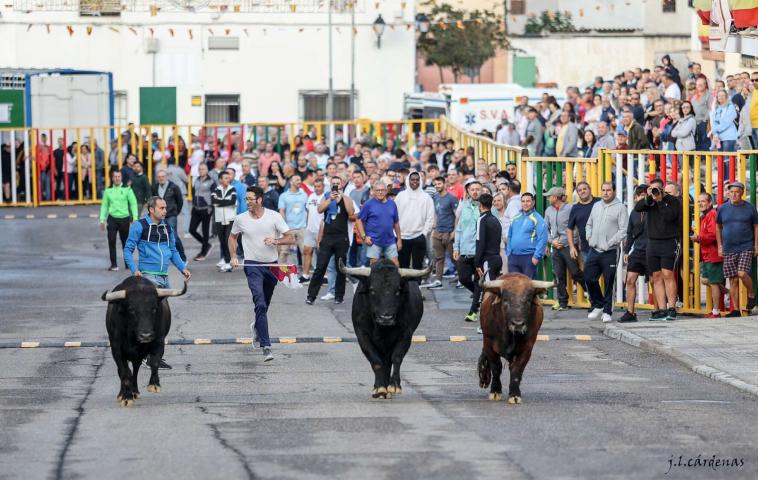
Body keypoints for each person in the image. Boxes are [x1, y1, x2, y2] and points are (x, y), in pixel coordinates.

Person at [124, 196, 192, 370]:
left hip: (163, 276)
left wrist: (182, 268)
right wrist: (134, 270)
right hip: (148, 277)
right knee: (156, 314)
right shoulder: (140, 226)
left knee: (160, 317)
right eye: (161, 208)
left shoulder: (167, 227)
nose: (165, 211)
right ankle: (149, 355)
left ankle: (152, 354)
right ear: (151, 210)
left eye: (165, 208)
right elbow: (128, 249)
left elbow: (173, 251)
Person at [229, 186, 296, 362]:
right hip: (251, 265)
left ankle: (258, 327)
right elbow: (232, 237)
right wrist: (234, 256)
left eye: (250, 199)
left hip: (271, 266)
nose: (247, 202)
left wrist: (275, 241)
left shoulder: (274, 216)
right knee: (259, 301)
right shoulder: (240, 219)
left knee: (264, 304)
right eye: (246, 199)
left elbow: (290, 238)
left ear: (259, 200)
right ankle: (266, 346)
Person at [634, 177, 681, 321]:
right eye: (652, 189)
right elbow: (637, 208)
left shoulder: (673, 201)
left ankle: (672, 308)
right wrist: (649, 197)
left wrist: (660, 201)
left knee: (668, 274)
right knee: (656, 277)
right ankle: (662, 309)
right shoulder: (650, 201)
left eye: (657, 189)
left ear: (662, 188)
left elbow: (669, 217)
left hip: (668, 242)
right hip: (652, 242)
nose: (655, 192)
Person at [305, 176, 355, 305]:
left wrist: (342, 197)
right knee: (320, 267)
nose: (336, 186)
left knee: (340, 268)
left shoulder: (347, 198)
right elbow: (319, 209)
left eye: (338, 184)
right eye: (333, 184)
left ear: (342, 185)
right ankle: (311, 295)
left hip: (341, 237)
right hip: (327, 237)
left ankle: (339, 295)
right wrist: (330, 199)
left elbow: (351, 213)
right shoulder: (326, 196)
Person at [585, 182, 627, 323]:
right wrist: (589, 237)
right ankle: (598, 304)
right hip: (594, 249)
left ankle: (607, 311)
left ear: (614, 191)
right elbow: (589, 224)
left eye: (608, 190)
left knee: (609, 281)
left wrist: (609, 243)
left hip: (610, 251)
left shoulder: (620, 208)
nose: (605, 193)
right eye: (603, 190)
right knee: (588, 277)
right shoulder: (596, 206)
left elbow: (623, 230)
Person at [716, 181, 758, 317]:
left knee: (741, 273)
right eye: (731, 192)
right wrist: (720, 246)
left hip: (746, 245)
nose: (733, 194)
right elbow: (718, 227)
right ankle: (735, 310)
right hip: (728, 247)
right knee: (732, 279)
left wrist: (756, 245)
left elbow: (756, 227)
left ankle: (751, 293)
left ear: (742, 193)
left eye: (736, 192)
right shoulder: (722, 208)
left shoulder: (750, 208)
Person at [544, 186, 584, 311]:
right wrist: (552, 241)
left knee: (576, 272)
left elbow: (576, 227)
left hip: (568, 246)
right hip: (556, 247)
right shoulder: (548, 210)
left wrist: (574, 243)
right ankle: (562, 302)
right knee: (558, 274)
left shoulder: (570, 209)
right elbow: (545, 229)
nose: (548, 198)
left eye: (550, 196)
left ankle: (592, 294)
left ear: (555, 197)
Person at [691, 192, 726, 318]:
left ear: (710, 202)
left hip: (713, 254)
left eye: (703, 201)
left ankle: (716, 311)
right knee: (706, 280)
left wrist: (698, 238)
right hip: (707, 254)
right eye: (698, 201)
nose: (700, 203)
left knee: (714, 282)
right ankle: (728, 293)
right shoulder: (705, 216)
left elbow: (712, 235)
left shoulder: (712, 214)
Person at [454, 179, 484, 322]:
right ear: (468, 191)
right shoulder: (464, 207)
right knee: (463, 278)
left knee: (479, 281)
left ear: (482, 190)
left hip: (480, 252)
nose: (475, 191)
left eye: (478, 189)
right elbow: (459, 229)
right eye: (472, 189)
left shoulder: (487, 207)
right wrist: (456, 247)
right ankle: (480, 295)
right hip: (465, 250)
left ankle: (473, 311)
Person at [619, 185, 649, 323]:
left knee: (654, 280)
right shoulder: (634, 212)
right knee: (630, 279)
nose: (642, 197)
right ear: (635, 198)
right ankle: (630, 312)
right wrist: (626, 250)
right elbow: (630, 233)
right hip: (637, 250)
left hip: (652, 249)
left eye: (644, 194)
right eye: (639, 195)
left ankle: (659, 310)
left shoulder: (653, 210)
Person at [424, 176, 459, 290]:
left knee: (454, 258)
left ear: (444, 184)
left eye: (439, 183)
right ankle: (438, 281)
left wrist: (454, 231)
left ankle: (462, 278)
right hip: (437, 232)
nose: (437, 186)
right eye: (435, 184)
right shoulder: (435, 197)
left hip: (448, 232)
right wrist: (433, 226)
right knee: (438, 258)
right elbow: (435, 213)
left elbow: (457, 216)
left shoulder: (452, 198)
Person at [355, 181, 401, 266]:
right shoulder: (368, 204)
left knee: (395, 265)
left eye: (382, 190)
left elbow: (396, 223)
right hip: (374, 241)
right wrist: (364, 237)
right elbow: (358, 220)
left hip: (390, 240)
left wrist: (399, 240)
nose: (380, 192)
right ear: (374, 191)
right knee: (374, 266)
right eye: (378, 190)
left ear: (386, 191)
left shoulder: (392, 203)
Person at [395, 171, 435, 270]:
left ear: (420, 181)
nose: (415, 182)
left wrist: (424, 234)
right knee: (403, 266)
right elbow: (394, 216)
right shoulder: (400, 196)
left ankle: (417, 285)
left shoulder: (426, 197)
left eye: (417, 179)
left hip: (419, 236)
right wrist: (396, 234)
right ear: (408, 180)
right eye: (412, 179)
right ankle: (404, 286)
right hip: (402, 237)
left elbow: (430, 218)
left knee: (418, 266)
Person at [100, 170, 138, 271]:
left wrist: (135, 217)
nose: (117, 178)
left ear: (121, 178)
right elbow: (104, 206)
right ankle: (114, 264)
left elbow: (133, 203)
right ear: (112, 178)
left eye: (119, 176)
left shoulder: (127, 189)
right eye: (115, 176)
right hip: (112, 219)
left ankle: (127, 264)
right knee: (111, 241)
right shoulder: (108, 191)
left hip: (124, 219)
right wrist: (102, 220)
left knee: (125, 242)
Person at [506, 192, 548, 279]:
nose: (525, 203)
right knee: (514, 286)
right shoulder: (515, 217)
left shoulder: (538, 218)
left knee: (528, 288)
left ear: (533, 203)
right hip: (513, 257)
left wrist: (536, 257)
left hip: (529, 257)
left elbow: (543, 239)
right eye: (523, 201)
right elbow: (509, 236)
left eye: (528, 201)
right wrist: (509, 252)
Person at [152, 169, 186, 262]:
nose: (161, 178)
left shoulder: (174, 187)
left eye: (163, 176)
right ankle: (161, 258)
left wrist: (175, 212)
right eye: (159, 177)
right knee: (159, 237)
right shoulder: (155, 187)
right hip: (159, 217)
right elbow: (152, 201)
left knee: (173, 236)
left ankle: (183, 258)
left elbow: (180, 201)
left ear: (166, 177)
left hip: (171, 215)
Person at [277, 174, 308, 267]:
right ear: (291, 182)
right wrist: (283, 228)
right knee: (284, 252)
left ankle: (305, 274)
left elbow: (307, 210)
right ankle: (281, 273)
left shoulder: (304, 194)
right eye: (297, 180)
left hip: (302, 228)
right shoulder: (283, 196)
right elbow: (282, 211)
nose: (299, 182)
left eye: (300, 180)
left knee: (305, 252)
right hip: (288, 228)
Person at [566, 181, 599, 267]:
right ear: (577, 193)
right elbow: (569, 229)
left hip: (605, 248)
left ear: (590, 190)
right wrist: (572, 247)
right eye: (580, 190)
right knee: (589, 277)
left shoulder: (600, 202)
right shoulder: (575, 208)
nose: (582, 191)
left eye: (585, 189)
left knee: (609, 277)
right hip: (586, 249)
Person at [211, 171, 238, 272]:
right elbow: (214, 201)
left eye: (228, 178)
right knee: (222, 241)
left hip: (230, 219)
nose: (228, 179)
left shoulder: (232, 189)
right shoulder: (216, 189)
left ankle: (229, 262)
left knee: (228, 240)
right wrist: (226, 202)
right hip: (219, 219)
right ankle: (226, 260)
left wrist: (221, 202)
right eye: (225, 178)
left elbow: (233, 201)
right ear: (220, 180)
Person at [301, 177, 326, 283]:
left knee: (322, 254)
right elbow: (308, 211)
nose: (316, 188)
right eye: (315, 186)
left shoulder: (326, 197)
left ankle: (324, 277)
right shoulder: (311, 196)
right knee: (307, 251)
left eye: (319, 186)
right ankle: (305, 275)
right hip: (310, 229)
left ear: (323, 187)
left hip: (321, 230)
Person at [475, 192, 503, 284]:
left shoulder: (482, 219)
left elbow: (480, 242)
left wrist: (477, 263)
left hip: (488, 260)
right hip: (497, 259)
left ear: (481, 205)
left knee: (489, 290)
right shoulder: (496, 220)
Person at [189, 163, 216, 261]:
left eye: (203, 169)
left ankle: (203, 252)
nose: (201, 171)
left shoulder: (211, 182)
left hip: (206, 209)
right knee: (191, 230)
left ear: (207, 170)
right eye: (200, 169)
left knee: (205, 232)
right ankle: (207, 245)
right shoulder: (196, 180)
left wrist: (211, 207)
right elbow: (193, 192)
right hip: (196, 209)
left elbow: (214, 195)